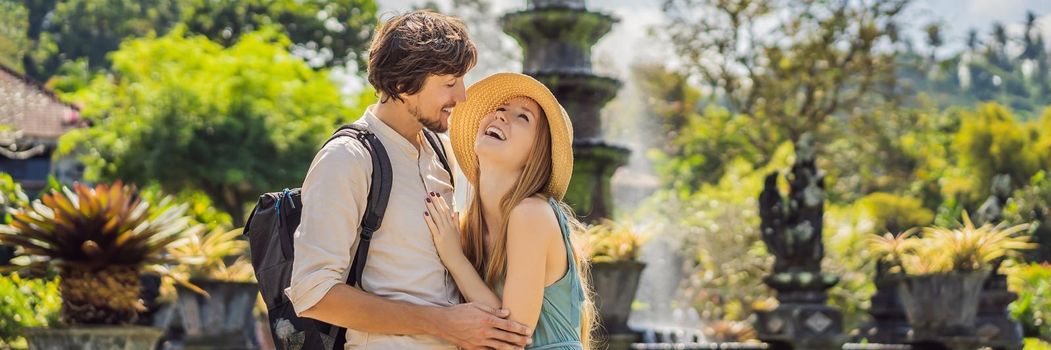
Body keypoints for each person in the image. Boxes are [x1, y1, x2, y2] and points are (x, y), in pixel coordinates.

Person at [286, 11, 533, 350]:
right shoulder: (347, 159)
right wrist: (443, 323)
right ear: (403, 85)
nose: (462, 97)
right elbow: (314, 295)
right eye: (449, 83)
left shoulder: (442, 152)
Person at [424, 72, 596, 350]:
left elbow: (510, 336)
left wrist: (454, 258)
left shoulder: (532, 214)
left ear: (536, 154)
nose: (501, 116)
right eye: (500, 109)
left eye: (522, 117)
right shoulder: (468, 229)